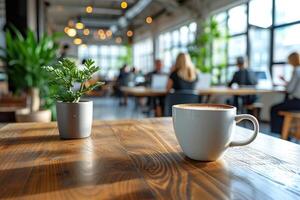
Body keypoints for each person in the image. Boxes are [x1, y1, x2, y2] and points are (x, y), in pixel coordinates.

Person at [270, 52, 300, 134]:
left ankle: (280, 132)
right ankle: (286, 131)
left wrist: (284, 83)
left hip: (297, 103)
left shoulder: (296, 71)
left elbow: (290, 89)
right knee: (284, 105)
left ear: (292, 60)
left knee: (274, 108)